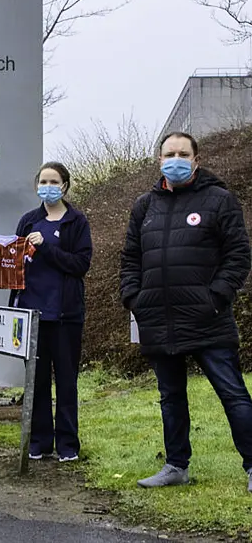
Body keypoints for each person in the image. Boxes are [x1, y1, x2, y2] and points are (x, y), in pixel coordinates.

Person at [120, 132, 252, 492]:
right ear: (159, 159)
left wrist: (216, 298)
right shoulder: (144, 205)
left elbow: (239, 256)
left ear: (196, 159)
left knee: (233, 394)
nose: (175, 159)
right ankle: (177, 466)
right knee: (171, 397)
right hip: (159, 321)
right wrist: (134, 299)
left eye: (182, 153)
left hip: (208, 319)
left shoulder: (220, 200)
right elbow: (131, 259)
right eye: (168, 153)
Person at [11, 162, 92, 462]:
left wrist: (46, 247)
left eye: (54, 181)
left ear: (65, 186)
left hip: (65, 316)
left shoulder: (76, 222)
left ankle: (68, 444)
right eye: (43, 181)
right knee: (37, 381)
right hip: (32, 316)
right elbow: (14, 265)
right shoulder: (28, 221)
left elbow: (80, 264)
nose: (48, 186)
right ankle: (39, 441)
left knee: (67, 381)